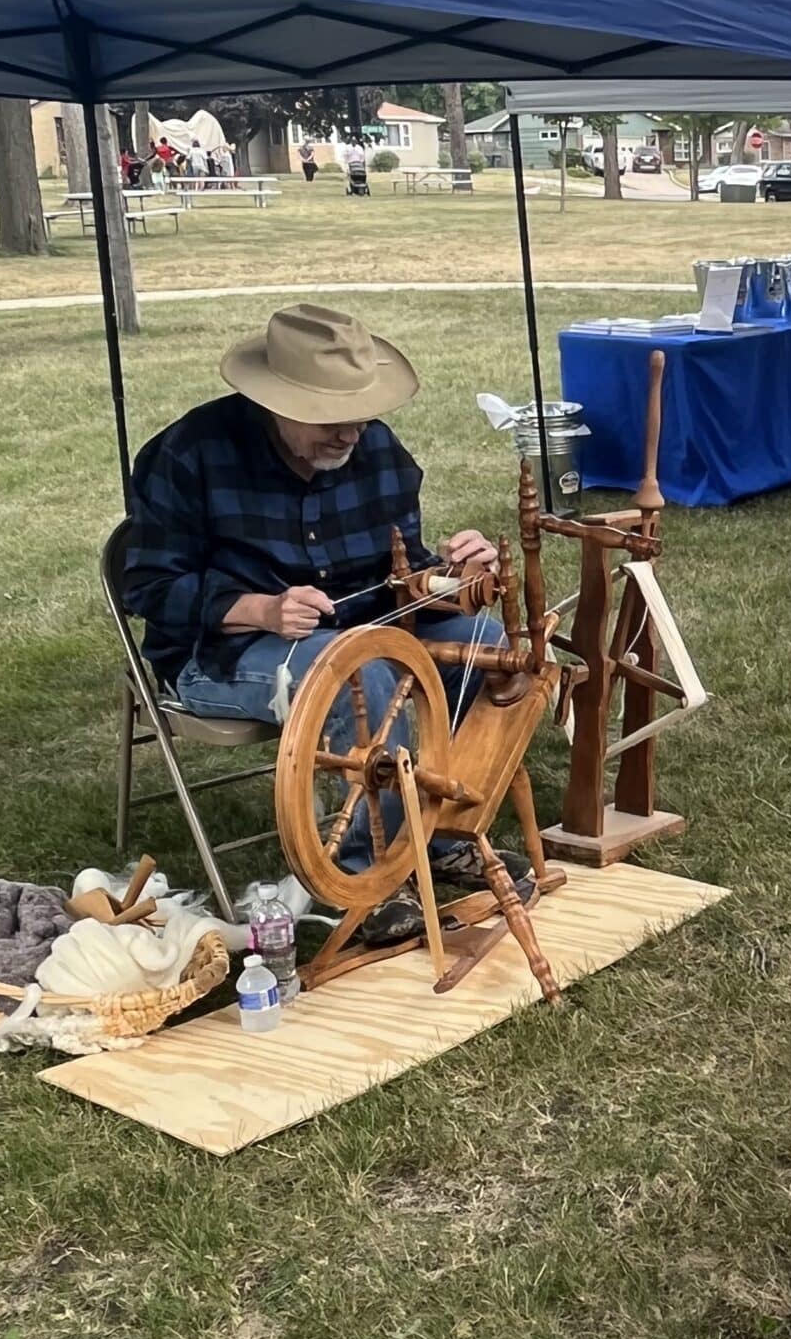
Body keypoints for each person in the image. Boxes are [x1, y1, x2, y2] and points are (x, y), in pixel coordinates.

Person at [122, 303, 515, 943]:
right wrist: (262, 610)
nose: (349, 434)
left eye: (358, 414)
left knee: (484, 646)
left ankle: (439, 833)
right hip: (219, 653)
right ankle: (355, 882)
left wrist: (450, 577)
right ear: (275, 402)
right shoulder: (190, 455)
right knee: (365, 672)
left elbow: (399, 584)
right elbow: (147, 585)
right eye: (330, 419)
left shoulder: (377, 450)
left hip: (360, 639)